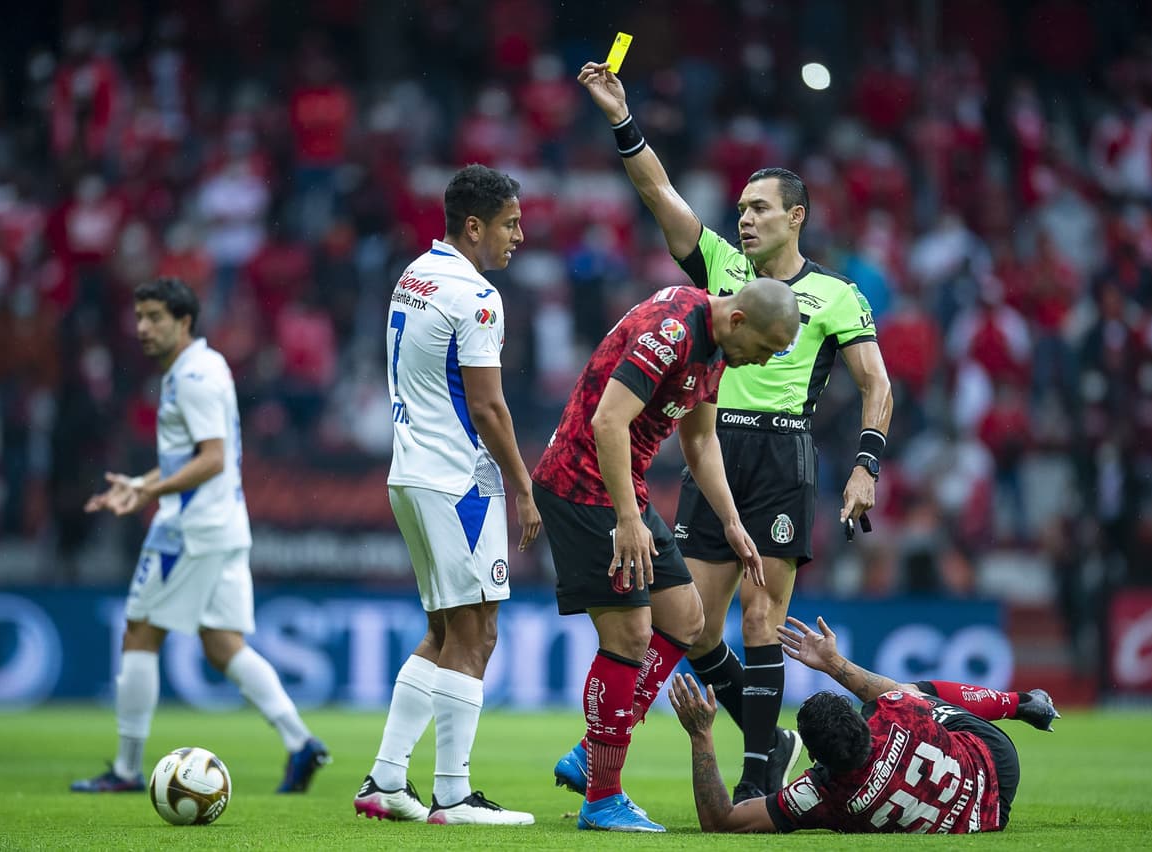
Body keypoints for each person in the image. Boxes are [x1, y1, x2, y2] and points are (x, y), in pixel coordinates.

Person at [578, 61, 895, 802]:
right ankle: (760, 742)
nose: (744, 218)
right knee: (690, 623)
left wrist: (866, 465)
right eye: (743, 207)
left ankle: (756, 772)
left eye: (760, 208)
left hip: (783, 452)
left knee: (763, 614)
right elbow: (657, 191)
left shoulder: (836, 294)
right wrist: (622, 118)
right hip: (712, 447)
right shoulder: (720, 265)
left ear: (797, 217)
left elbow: (876, 382)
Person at [536, 278, 801, 832]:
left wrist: (732, 522)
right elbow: (607, 421)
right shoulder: (673, 332)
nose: (760, 362)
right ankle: (602, 798)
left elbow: (700, 441)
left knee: (686, 616)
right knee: (629, 635)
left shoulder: (716, 348)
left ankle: (594, 750)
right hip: (584, 487)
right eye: (764, 349)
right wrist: (628, 520)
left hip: (622, 487)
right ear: (739, 321)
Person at [72, 277, 329, 794]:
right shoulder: (201, 368)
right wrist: (144, 482)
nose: (142, 328)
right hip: (224, 522)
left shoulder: (190, 376)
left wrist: (152, 494)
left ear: (183, 321)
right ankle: (302, 743)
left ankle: (125, 769)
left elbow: (211, 458)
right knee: (222, 644)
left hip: (190, 528)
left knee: (140, 630)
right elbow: (198, 455)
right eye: (139, 317)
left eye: (154, 318)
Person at [351, 164, 541, 827]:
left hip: (410, 471)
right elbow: (488, 408)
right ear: (474, 226)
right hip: (459, 481)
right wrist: (523, 488)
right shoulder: (477, 295)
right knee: (477, 630)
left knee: (441, 630)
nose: (520, 235)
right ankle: (454, 796)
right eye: (511, 223)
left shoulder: (415, 275)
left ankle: (384, 780)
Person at [668, 613, 1061, 833]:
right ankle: (1020, 704)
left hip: (978, 822)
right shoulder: (895, 715)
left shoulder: (820, 794)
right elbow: (882, 690)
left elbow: (722, 822)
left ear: (818, 761)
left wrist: (701, 734)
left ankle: (1019, 703)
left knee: (911, 691)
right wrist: (833, 663)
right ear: (863, 721)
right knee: (914, 690)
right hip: (996, 770)